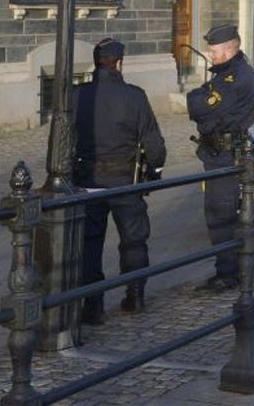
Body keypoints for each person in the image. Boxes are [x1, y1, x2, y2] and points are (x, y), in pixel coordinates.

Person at [73, 38, 167, 323]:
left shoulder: (77, 95)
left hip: (88, 180)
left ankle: (93, 306)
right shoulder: (134, 96)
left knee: (89, 244)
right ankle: (134, 295)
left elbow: (63, 140)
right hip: (125, 180)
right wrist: (155, 166)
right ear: (120, 63)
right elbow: (154, 145)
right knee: (134, 239)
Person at [186, 24, 254, 293]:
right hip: (219, 152)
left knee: (221, 216)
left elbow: (195, 105)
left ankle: (228, 274)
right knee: (225, 214)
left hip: (224, 156)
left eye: (213, 50)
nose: (209, 55)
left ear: (229, 49)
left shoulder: (234, 78)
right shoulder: (228, 73)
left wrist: (201, 97)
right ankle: (233, 269)